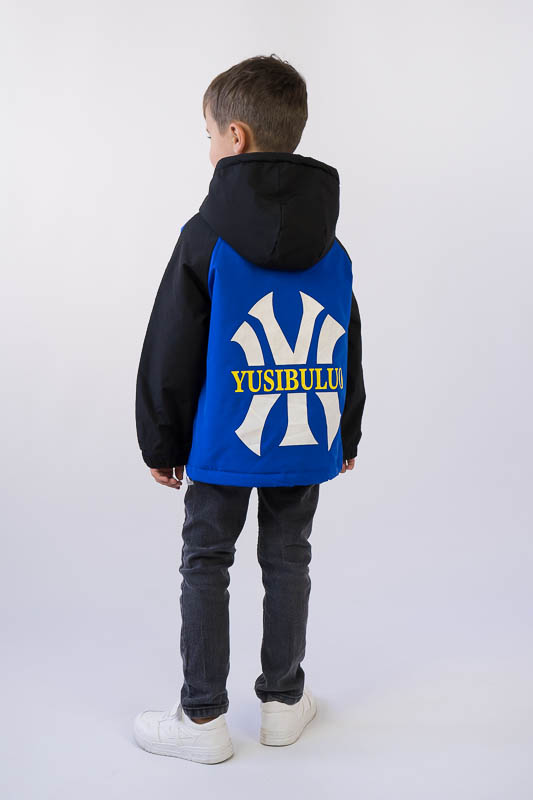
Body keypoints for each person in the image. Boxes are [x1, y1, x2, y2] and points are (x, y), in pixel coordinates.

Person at [133, 54, 366, 764]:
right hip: (303, 433)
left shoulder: (205, 236)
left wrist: (160, 440)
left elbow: (171, 345)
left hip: (222, 440)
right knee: (288, 557)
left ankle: (202, 717)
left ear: (234, 136)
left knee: (207, 560)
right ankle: (283, 703)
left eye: (207, 134)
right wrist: (345, 431)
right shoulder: (331, 244)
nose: (207, 147)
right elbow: (347, 342)